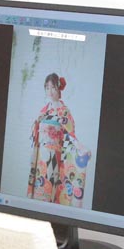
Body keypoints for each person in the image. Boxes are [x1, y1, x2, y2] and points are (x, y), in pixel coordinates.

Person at [27, 73, 89, 207]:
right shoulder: (44, 111)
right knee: (39, 189)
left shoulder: (64, 111)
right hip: (41, 158)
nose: (50, 91)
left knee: (50, 189)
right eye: (47, 88)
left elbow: (70, 134)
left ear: (59, 89)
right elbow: (35, 130)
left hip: (55, 156)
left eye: (53, 87)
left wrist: (80, 148)